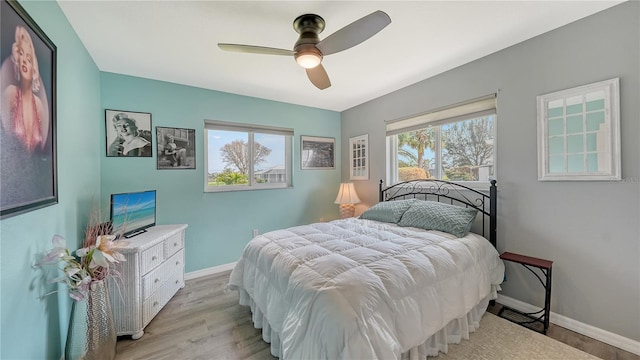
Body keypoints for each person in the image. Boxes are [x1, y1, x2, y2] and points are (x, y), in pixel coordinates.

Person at [1, 25, 47, 153]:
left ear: (34, 68)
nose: (25, 61)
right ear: (17, 59)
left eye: (29, 58)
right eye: (21, 54)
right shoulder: (11, 93)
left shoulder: (38, 105)